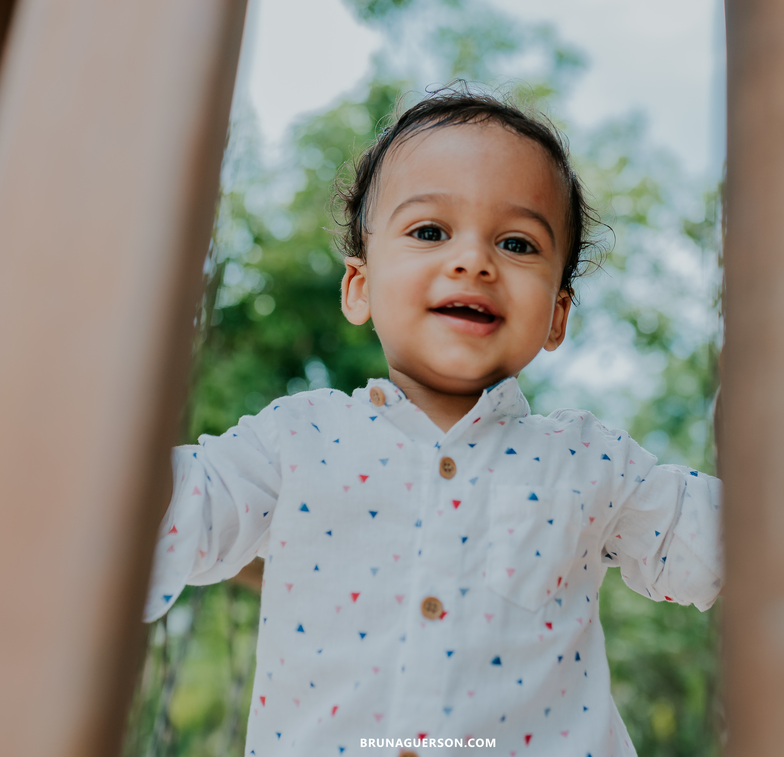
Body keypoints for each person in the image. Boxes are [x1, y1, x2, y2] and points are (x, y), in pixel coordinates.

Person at [144, 87, 723, 756]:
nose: (473, 260)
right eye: (429, 232)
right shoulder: (292, 442)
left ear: (558, 314)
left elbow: (734, 549)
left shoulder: (590, 463)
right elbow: (147, 520)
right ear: (359, 288)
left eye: (516, 242)